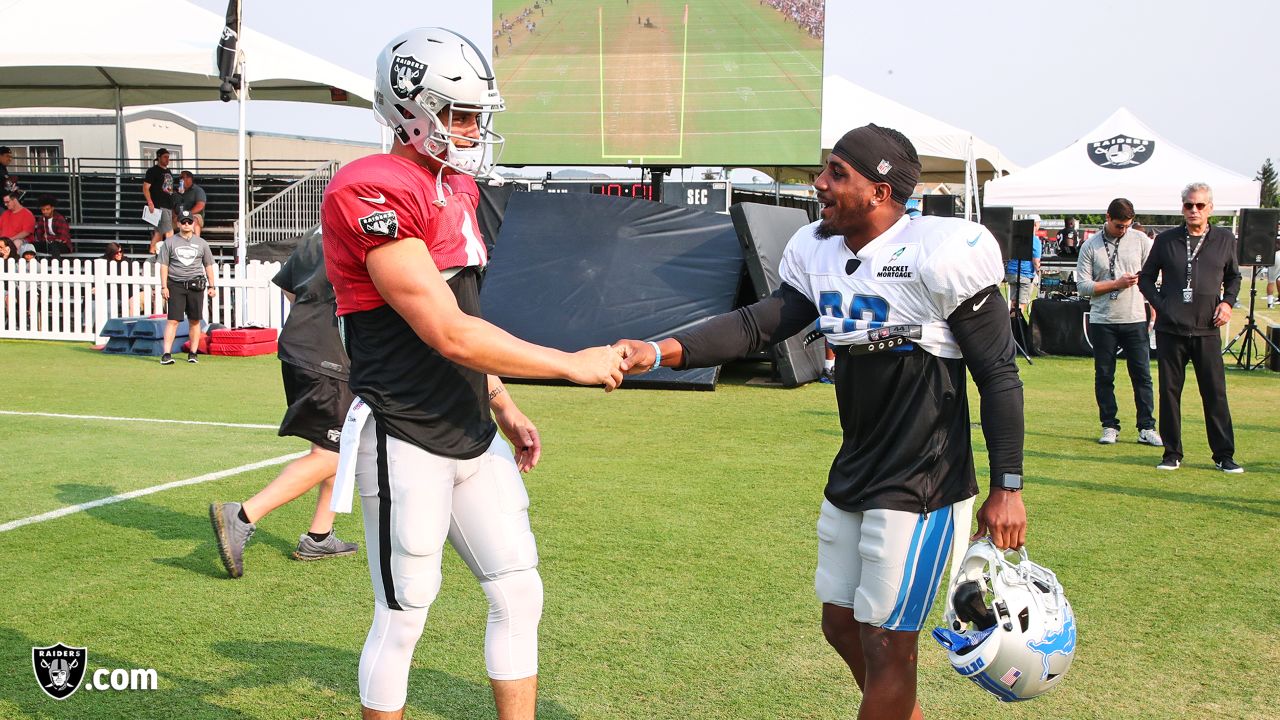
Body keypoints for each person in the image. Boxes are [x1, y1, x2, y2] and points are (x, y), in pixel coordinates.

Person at [615, 124, 1028, 720]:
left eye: (838, 173)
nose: (820, 184)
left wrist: (1007, 487)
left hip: (923, 478)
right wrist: (657, 351)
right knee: (840, 623)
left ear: (882, 191)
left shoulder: (940, 254)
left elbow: (998, 375)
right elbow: (758, 324)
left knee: (889, 644)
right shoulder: (819, 248)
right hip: (858, 462)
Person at [323, 28, 626, 720]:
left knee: (518, 592)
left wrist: (502, 401)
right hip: (403, 430)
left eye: (475, 116)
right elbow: (446, 330)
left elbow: (463, 308)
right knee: (402, 616)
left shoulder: (451, 185)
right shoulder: (368, 186)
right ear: (409, 109)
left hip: (467, 426)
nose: (472, 130)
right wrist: (568, 366)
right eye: (458, 115)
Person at [210, 229, 360, 578]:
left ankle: (319, 536)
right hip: (327, 355)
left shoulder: (317, 234)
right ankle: (243, 515)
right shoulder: (362, 232)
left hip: (298, 345)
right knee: (333, 452)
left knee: (336, 442)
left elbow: (290, 288)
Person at [1138, 182, 1243, 473]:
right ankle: (1172, 453)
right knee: (1169, 393)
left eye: (1199, 205)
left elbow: (1234, 278)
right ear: (1182, 207)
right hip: (1171, 330)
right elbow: (1146, 278)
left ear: (1210, 208)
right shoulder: (1166, 240)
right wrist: (1162, 305)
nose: (1193, 210)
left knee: (1215, 393)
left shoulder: (1224, 239)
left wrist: (1228, 303)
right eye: (1188, 205)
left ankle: (1224, 455)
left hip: (1207, 329)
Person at [1076, 198, 1161, 447]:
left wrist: (1154, 304)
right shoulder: (1090, 245)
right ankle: (1109, 425)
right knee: (1104, 375)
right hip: (1103, 320)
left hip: (1134, 317)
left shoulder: (1141, 241)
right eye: (1118, 226)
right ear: (1107, 218)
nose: (1123, 230)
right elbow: (1083, 286)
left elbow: (1154, 275)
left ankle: (1146, 427)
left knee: (1142, 375)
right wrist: (1116, 284)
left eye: (1127, 225)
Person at [156, 209, 215, 365]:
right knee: (173, 320)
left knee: (195, 320)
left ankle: (193, 353)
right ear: (178, 223)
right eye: (184, 221)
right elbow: (164, 266)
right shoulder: (169, 242)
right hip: (175, 284)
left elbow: (208, 265)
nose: (187, 224)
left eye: (189, 221)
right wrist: (164, 286)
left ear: (193, 223)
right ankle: (166, 354)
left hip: (195, 284)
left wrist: (212, 285)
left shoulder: (202, 243)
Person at [1004, 213, 1041, 313]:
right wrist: (1039, 274)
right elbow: (1036, 261)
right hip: (1024, 275)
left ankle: (1012, 325)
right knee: (1021, 304)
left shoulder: (1015, 237)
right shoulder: (1035, 240)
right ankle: (1017, 326)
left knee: (1014, 303)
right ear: (1035, 225)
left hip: (1011, 273)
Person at [143, 148, 176, 254]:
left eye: (168, 157)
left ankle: (152, 251)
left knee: (159, 232)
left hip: (168, 204)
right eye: (165, 157)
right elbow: (145, 187)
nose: (167, 159)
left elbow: (168, 188)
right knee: (168, 231)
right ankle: (170, 253)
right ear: (159, 157)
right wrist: (150, 202)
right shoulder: (153, 171)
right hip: (159, 205)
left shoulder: (168, 171)